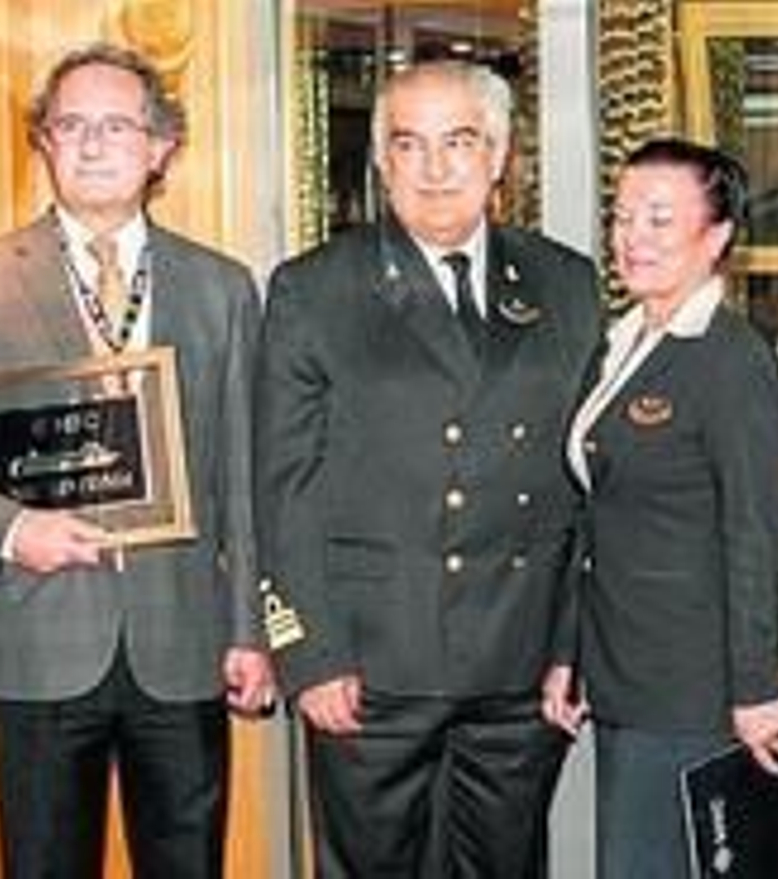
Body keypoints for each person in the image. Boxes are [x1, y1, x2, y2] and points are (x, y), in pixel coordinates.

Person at [0, 43, 272, 877]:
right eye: (69, 125)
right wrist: (11, 530)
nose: (91, 144)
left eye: (116, 125)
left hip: (183, 644)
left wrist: (248, 629)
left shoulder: (223, 288)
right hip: (38, 644)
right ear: (43, 143)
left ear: (160, 148)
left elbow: (244, 476)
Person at [254, 60, 601, 877]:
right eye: (410, 145)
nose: (436, 169)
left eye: (460, 142)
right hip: (372, 665)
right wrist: (309, 654)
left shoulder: (567, 282)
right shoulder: (315, 290)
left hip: (517, 664)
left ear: (500, 155)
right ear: (381, 162)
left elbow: (587, 490)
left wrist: (571, 643)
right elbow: (283, 488)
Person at [541, 138, 778, 878]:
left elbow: (756, 534)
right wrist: (569, 653)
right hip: (623, 673)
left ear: (716, 237)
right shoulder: (620, 343)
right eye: (622, 218)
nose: (633, 238)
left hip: (695, 690)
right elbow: (592, 517)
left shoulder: (731, 360)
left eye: (659, 219)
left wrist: (754, 688)